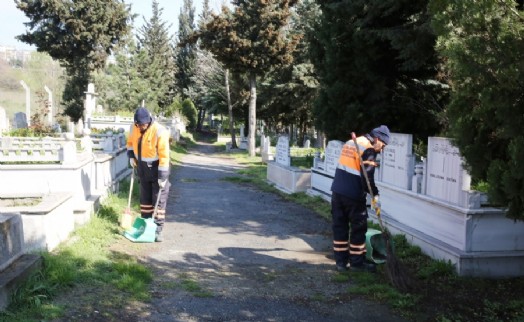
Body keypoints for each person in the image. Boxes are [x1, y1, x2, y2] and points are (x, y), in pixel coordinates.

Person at [330, 125, 390, 272]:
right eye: (383, 145)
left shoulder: (351, 143)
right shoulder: (368, 149)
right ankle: (357, 263)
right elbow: (367, 178)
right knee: (358, 227)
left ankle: (341, 263)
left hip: (337, 191)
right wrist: (375, 195)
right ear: (377, 138)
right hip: (353, 195)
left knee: (340, 227)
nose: (382, 149)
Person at [127, 106, 171, 242]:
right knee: (145, 200)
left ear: (149, 121)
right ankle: (145, 226)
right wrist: (131, 156)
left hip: (157, 170)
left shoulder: (159, 132)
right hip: (142, 169)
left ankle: (158, 230)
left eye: (144, 125)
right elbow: (130, 143)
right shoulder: (133, 128)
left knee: (158, 201)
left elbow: (164, 155)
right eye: (139, 125)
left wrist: (163, 177)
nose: (141, 127)